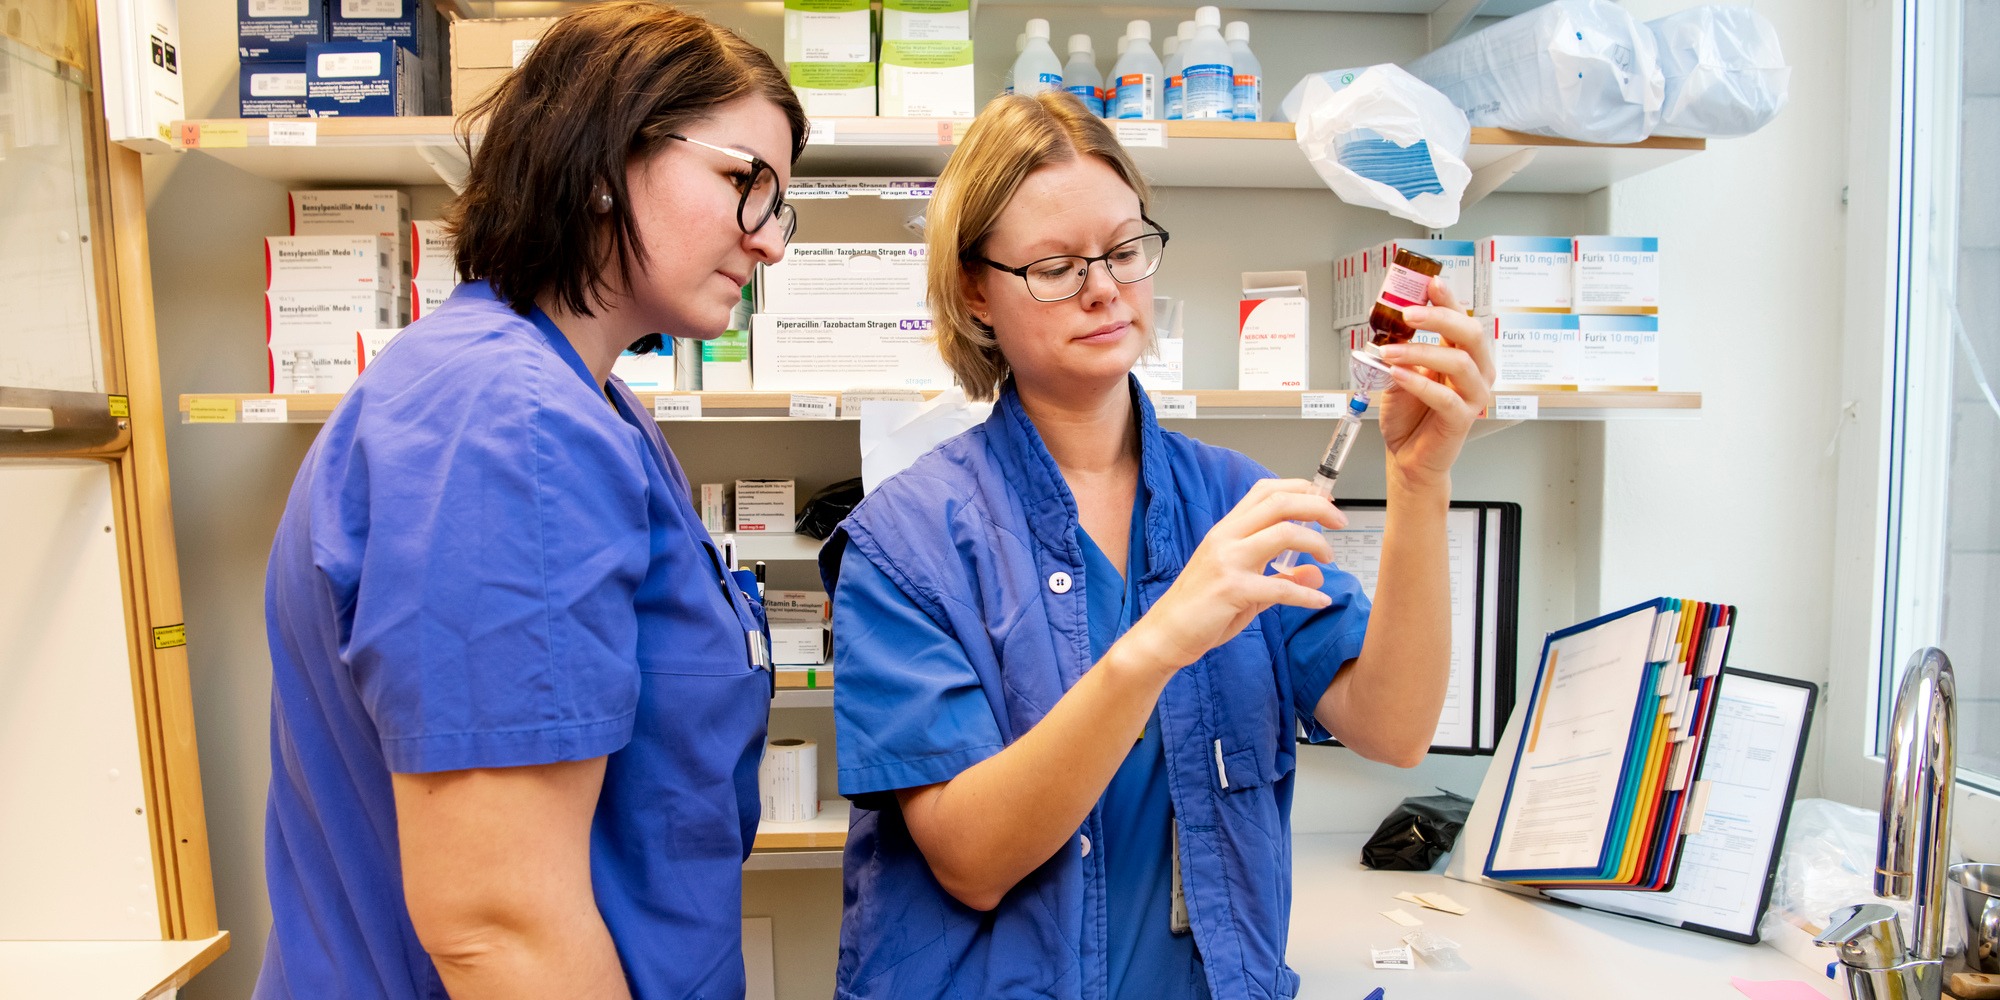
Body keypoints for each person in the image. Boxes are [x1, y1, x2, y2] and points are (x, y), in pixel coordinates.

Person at [820, 91, 1495, 1000]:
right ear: (976, 291)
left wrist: (1420, 479)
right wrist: (1161, 639)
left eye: (1127, 248)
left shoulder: (1229, 499)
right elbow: (971, 862)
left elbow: (1396, 726)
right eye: (1056, 265)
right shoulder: (908, 542)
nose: (1104, 287)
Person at [254, 5, 804, 997]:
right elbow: (499, 927)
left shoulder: (581, 406)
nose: (767, 244)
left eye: (779, 206)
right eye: (743, 183)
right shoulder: (509, 427)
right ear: (600, 156)